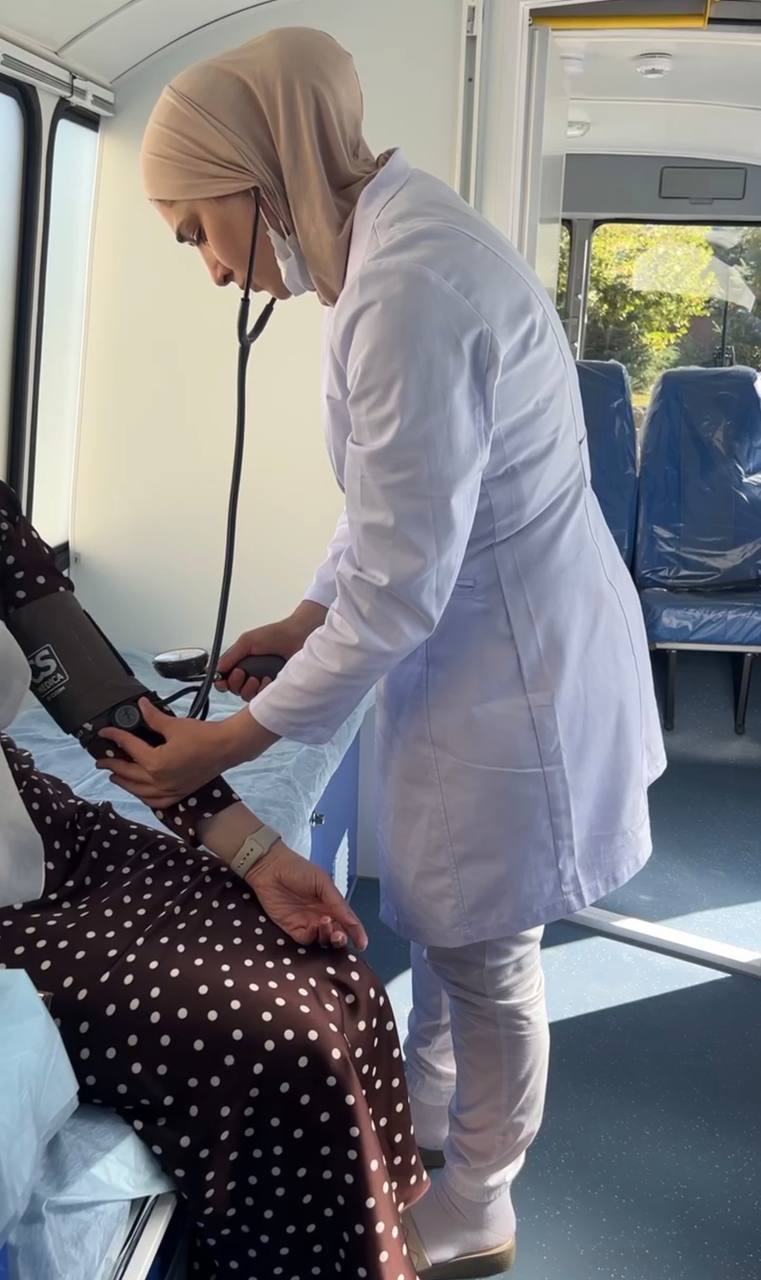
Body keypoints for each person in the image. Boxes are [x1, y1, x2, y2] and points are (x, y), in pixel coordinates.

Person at [107, 25, 667, 1278]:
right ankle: (434, 1130)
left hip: (511, 671)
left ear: (257, 173)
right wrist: (303, 618)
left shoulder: (409, 285)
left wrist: (225, 742)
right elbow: (390, 505)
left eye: (197, 231)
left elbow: (401, 580)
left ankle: (480, 1200)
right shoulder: (378, 251)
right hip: (482, 646)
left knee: (488, 952)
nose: (211, 269)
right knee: (461, 935)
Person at [0, 480, 427, 1280]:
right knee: (284, 1043)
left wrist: (255, 851)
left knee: (326, 971)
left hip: (41, 830)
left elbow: (94, 693)